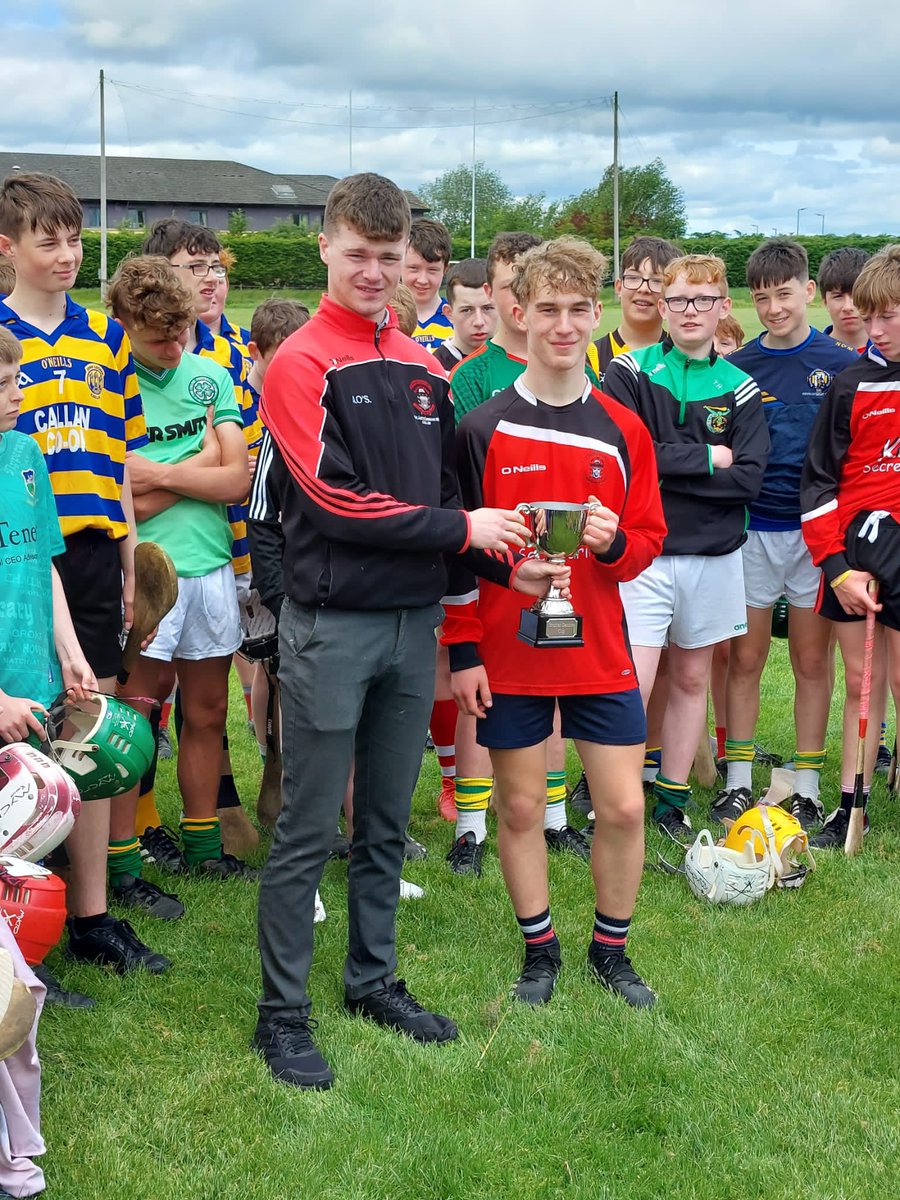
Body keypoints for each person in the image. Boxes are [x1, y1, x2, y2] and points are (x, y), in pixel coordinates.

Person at [252, 172, 560, 1090]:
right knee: (310, 826)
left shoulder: (424, 365)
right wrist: (464, 530)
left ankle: (372, 980)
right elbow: (334, 502)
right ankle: (281, 1016)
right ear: (324, 247)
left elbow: (450, 496)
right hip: (331, 624)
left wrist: (502, 565)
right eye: (358, 255)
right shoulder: (300, 362)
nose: (375, 273)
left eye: (389, 258)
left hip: (412, 624)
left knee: (386, 818)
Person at [446, 236, 666, 1007]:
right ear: (519, 312)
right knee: (519, 806)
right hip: (510, 653)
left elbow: (648, 541)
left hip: (598, 647)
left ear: (596, 313)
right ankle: (540, 952)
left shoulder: (624, 428)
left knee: (624, 805)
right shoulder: (481, 429)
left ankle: (612, 951)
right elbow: (458, 550)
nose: (563, 325)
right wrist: (464, 649)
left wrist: (611, 544)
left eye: (577, 309)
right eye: (547, 309)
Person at [0, 170, 168, 992]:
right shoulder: (1, 340)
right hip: (19, 554)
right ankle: (22, 920)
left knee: (86, 728)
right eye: (50, 241)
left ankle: (93, 917)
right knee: (20, 742)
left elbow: (118, 455)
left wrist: (131, 552)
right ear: (8, 249)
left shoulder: (105, 335)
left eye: (75, 240)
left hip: (94, 553)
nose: (67, 255)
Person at [603, 254, 769, 841]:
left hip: (714, 556)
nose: (689, 311)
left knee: (694, 680)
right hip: (644, 555)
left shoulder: (741, 389)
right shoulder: (629, 371)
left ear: (723, 306)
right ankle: (616, 793)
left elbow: (749, 479)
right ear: (663, 306)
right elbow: (625, 456)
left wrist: (666, 468)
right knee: (634, 679)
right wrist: (706, 458)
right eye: (677, 300)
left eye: (702, 300)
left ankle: (671, 800)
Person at [106, 255, 252, 896]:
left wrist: (160, 473)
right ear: (124, 323)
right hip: (144, 574)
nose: (173, 349)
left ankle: (203, 845)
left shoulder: (210, 376)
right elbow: (124, 506)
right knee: (135, 719)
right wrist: (200, 463)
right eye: (158, 338)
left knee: (208, 711)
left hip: (211, 567)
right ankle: (122, 861)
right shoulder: (108, 385)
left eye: (182, 334)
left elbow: (236, 479)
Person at [445, 230, 590, 871]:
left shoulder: (578, 369)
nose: (510, 302)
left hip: (558, 561)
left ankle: (554, 816)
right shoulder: (473, 378)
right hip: (492, 561)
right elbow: (462, 482)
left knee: (553, 680)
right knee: (484, 693)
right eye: (506, 288)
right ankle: (471, 825)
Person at [720, 240, 857, 829]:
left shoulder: (841, 364)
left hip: (815, 537)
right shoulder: (740, 367)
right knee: (746, 657)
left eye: (784, 294)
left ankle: (806, 786)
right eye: (762, 298)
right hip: (753, 531)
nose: (774, 308)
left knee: (810, 659)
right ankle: (737, 781)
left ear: (808, 291)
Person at [800, 243, 900, 846]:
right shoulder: (850, 382)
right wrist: (837, 567)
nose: (876, 329)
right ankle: (849, 804)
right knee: (864, 677)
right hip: (857, 550)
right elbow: (817, 483)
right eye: (870, 316)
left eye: (890, 316)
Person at [591, 235, 681, 382]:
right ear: (619, 287)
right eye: (633, 278)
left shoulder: (683, 356)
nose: (644, 288)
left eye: (657, 280)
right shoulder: (591, 356)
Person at [432, 258, 497, 371]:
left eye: (487, 308)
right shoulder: (435, 369)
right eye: (467, 310)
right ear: (449, 313)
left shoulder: (517, 362)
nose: (479, 322)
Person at [402, 217, 454, 351]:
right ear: (399, 265)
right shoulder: (385, 318)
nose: (422, 280)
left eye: (432, 270)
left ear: (445, 269)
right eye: (414, 268)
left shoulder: (456, 319)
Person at [817, 246, 871, 352]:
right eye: (838, 296)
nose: (848, 307)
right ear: (825, 302)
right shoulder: (814, 354)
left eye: (856, 295)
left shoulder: (893, 353)